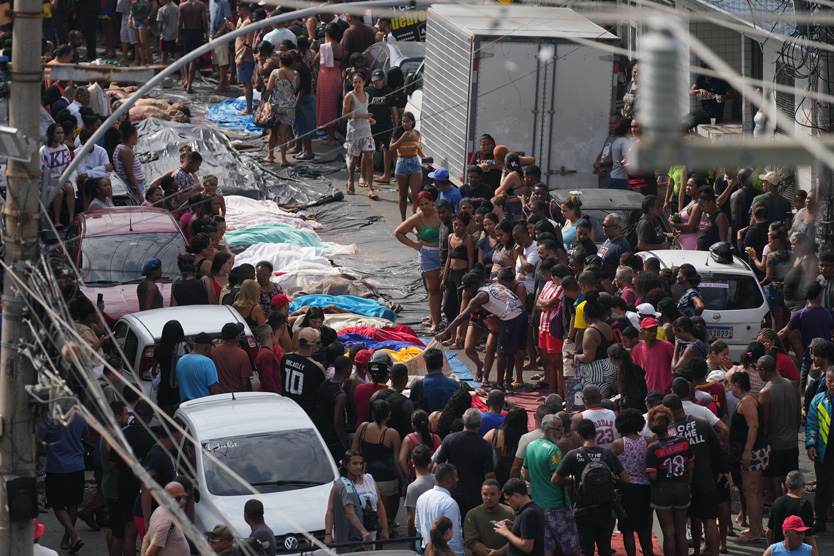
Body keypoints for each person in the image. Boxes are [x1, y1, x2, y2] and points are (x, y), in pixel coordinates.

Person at [436, 271, 527, 393]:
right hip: (521, 314)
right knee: (510, 352)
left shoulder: (480, 296)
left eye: (467, 289)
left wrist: (445, 332)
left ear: (473, 286)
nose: (467, 292)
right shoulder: (493, 285)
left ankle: (500, 386)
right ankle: (508, 384)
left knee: (501, 352)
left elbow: (461, 316)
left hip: (510, 318)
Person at [554, 419, 628, 556]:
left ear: (579, 437)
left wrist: (576, 480)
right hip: (605, 509)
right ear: (596, 435)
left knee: (586, 550)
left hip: (583, 509)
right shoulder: (607, 454)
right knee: (605, 549)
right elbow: (625, 478)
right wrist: (610, 477)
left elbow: (555, 479)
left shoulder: (573, 455)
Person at [522, 414, 580, 556]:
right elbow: (557, 478)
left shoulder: (530, 446)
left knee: (547, 547)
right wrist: (575, 479)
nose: (561, 432)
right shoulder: (553, 450)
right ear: (548, 430)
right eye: (558, 429)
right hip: (557, 505)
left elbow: (526, 475)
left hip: (539, 504)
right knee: (573, 547)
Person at [645, 405, 693, 556]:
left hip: (662, 490)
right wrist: (687, 483)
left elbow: (652, 476)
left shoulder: (653, 448)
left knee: (668, 533)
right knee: (681, 531)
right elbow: (691, 466)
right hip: (682, 487)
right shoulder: (683, 441)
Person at [727, 371, 768, 543]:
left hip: (752, 452)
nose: (729, 387)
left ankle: (755, 531)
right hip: (754, 451)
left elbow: (754, 427)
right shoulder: (748, 400)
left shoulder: (746, 401)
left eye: (730, 384)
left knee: (751, 491)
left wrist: (746, 451)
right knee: (755, 492)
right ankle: (756, 528)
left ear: (736, 385)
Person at [395, 191, 443, 332]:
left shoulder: (441, 213)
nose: (424, 207)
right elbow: (398, 232)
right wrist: (414, 245)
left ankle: (442, 316)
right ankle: (435, 321)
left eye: (426, 203)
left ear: (432, 202)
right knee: (433, 290)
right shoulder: (418, 218)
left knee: (445, 288)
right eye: (421, 205)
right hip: (428, 255)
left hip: (444, 254)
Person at [435, 408, 497, 517]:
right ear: (480, 424)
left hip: (452, 493)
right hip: (475, 496)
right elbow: (489, 475)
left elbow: (437, 466)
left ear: (463, 420)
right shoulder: (485, 446)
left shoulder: (449, 439)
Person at [40, 413, 87, 554]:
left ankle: (74, 536)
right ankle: (67, 539)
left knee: (57, 504)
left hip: (57, 467)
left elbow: (41, 441)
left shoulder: (49, 417)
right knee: (72, 504)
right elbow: (84, 434)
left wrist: (35, 457)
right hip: (77, 466)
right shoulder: (80, 417)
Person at [352, 399, 402, 531]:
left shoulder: (362, 427)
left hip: (365, 479)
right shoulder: (392, 434)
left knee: (363, 514)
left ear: (372, 413)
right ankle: (382, 538)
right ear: (389, 414)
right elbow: (397, 461)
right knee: (381, 517)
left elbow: (353, 453)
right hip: (386, 481)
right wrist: (403, 478)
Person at [758, 354, 801, 506]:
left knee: (775, 479)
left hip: (774, 444)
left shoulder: (765, 392)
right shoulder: (792, 386)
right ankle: (793, 509)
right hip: (792, 442)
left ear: (763, 371)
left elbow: (765, 423)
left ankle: (780, 511)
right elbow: (797, 415)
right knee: (790, 478)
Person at [609, 409, 653, 556]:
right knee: (644, 527)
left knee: (627, 528)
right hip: (645, 488)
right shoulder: (648, 441)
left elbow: (609, 466)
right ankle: (648, 552)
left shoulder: (618, 444)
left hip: (626, 489)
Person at [805, 365, 834, 531]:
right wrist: (810, 445)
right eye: (830, 381)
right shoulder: (818, 400)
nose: (832, 384)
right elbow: (811, 425)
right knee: (822, 488)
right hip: (824, 451)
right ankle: (820, 521)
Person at [415, 463, 465, 556]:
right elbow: (453, 539)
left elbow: (418, 526)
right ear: (450, 481)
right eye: (456, 477)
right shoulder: (450, 503)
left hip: (428, 550)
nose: (457, 480)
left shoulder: (422, 498)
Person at [344, 72, 378, 199]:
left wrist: (368, 119)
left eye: (359, 81)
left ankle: (370, 188)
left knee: (369, 157)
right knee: (354, 160)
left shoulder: (367, 95)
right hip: (354, 132)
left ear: (364, 83)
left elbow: (364, 111)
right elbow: (345, 115)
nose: (357, 84)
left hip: (366, 132)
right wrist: (362, 117)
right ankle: (351, 180)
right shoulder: (350, 96)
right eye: (355, 82)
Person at [493, 478, 546, 556]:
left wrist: (506, 533)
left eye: (508, 499)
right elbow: (530, 529)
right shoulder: (534, 507)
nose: (509, 504)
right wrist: (513, 525)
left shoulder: (528, 513)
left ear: (515, 495)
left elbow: (527, 546)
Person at [282, 328, 326, 420]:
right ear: (313, 344)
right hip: (307, 413)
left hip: (287, 408)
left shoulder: (285, 358)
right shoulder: (316, 367)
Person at [263, 52, 299, 166]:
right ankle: (283, 159)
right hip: (289, 107)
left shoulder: (275, 72)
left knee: (273, 132)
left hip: (275, 106)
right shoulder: (295, 74)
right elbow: (297, 87)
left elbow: (269, 88)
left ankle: (270, 155)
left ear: (281, 62)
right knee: (282, 133)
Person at [767, 471, 817, 552]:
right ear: (803, 485)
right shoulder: (805, 505)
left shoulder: (777, 502)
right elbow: (809, 536)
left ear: (786, 485)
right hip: (798, 551)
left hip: (781, 550)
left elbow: (769, 531)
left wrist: (772, 549)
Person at [139, 481, 189, 556]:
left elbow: (146, 538)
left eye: (184, 497)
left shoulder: (160, 509)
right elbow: (151, 553)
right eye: (177, 498)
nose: (182, 501)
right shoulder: (167, 523)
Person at [314, 23, 344, 146]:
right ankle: (330, 135)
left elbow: (315, 61)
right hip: (336, 76)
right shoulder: (340, 47)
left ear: (326, 34)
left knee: (327, 108)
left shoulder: (325, 47)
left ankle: (331, 136)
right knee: (332, 106)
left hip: (326, 77)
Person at [40, 123, 75, 227]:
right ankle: (57, 221)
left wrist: (64, 177)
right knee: (58, 192)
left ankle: (71, 219)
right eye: (58, 133)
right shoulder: (43, 151)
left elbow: (66, 165)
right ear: (51, 135)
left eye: (62, 133)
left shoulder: (64, 148)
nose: (60, 135)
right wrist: (55, 182)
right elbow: (41, 171)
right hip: (47, 181)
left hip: (61, 178)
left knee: (70, 188)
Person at [391, 111, 424, 220]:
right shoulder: (397, 133)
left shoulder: (416, 133)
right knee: (403, 195)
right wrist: (402, 139)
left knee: (415, 195)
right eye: (403, 121)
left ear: (412, 122)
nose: (405, 124)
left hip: (414, 163)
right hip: (402, 164)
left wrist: (424, 158)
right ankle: (403, 220)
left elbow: (417, 148)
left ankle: (414, 221)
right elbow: (392, 148)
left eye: (408, 122)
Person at [484, 407, 529, 486]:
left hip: (493, 480)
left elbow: (480, 448)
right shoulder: (524, 440)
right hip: (513, 482)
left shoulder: (493, 434)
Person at [631, 317, 674, 394]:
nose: (654, 333)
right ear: (642, 331)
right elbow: (636, 374)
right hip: (647, 395)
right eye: (650, 331)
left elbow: (676, 366)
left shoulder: (667, 346)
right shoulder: (636, 350)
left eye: (655, 330)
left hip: (666, 393)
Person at [409, 347, 460, 413]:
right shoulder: (454, 385)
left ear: (427, 366)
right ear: (442, 364)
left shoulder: (417, 386)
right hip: (448, 422)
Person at [176, 333, 221, 401]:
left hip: (186, 406)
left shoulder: (181, 361)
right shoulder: (207, 362)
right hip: (203, 406)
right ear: (207, 348)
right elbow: (214, 390)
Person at [211, 322, 252, 394]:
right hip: (237, 395)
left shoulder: (212, 350)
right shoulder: (242, 355)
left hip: (218, 395)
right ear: (236, 337)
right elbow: (245, 383)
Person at [406, 444, 437, 537]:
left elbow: (412, 518)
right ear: (430, 461)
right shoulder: (438, 480)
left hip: (423, 535)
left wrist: (411, 538)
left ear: (412, 461)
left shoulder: (413, 487)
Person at [113, 121, 145, 204]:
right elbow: (130, 175)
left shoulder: (119, 147)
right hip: (133, 188)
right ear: (131, 137)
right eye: (136, 136)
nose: (137, 138)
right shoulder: (126, 152)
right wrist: (139, 193)